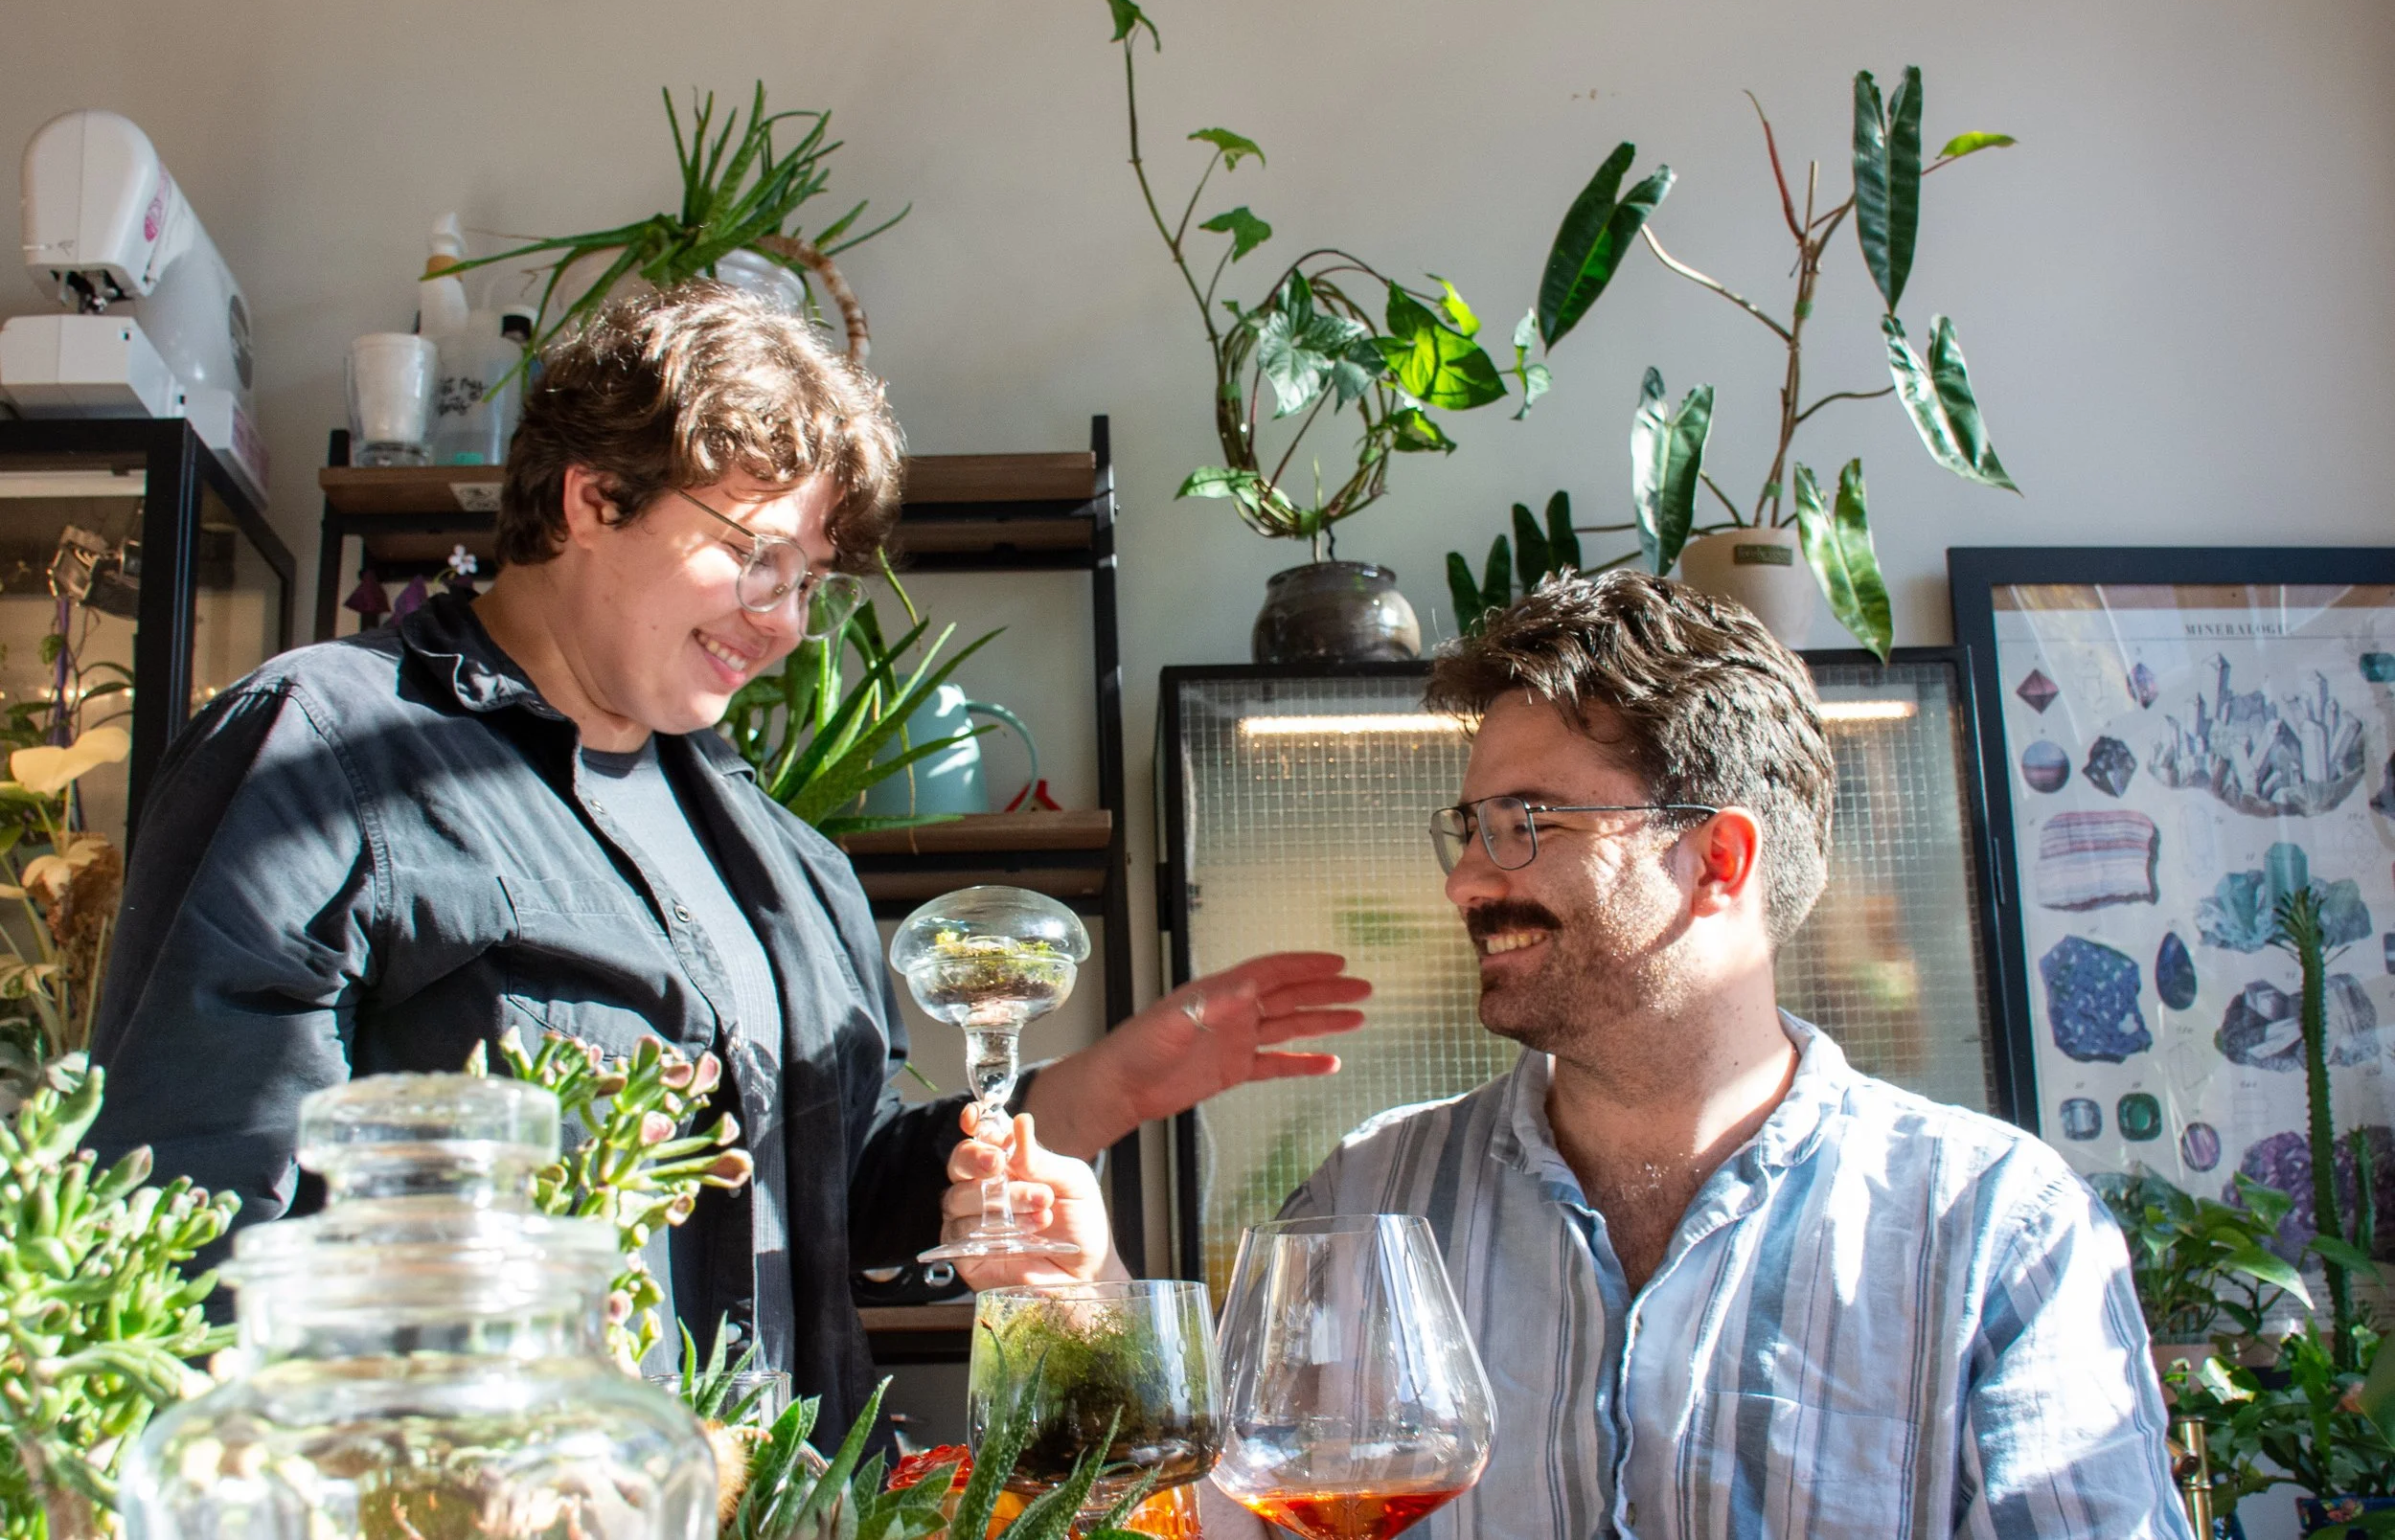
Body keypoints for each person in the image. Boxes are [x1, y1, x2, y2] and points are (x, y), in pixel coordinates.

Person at [85, 283, 1368, 1436]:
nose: (784, 620)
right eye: (755, 555)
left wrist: (1088, 1095)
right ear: (593, 496)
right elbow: (184, 1226)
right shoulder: (326, 751)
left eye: (808, 577)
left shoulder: (779, 853)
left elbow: (837, 1189)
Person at [966, 571, 2187, 1538]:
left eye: (1523, 825)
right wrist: (1091, 1302)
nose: (1463, 877)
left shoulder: (1992, 1227)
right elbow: (1232, 1521)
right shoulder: (1370, 1199)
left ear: (1718, 859)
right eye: (1468, 826)